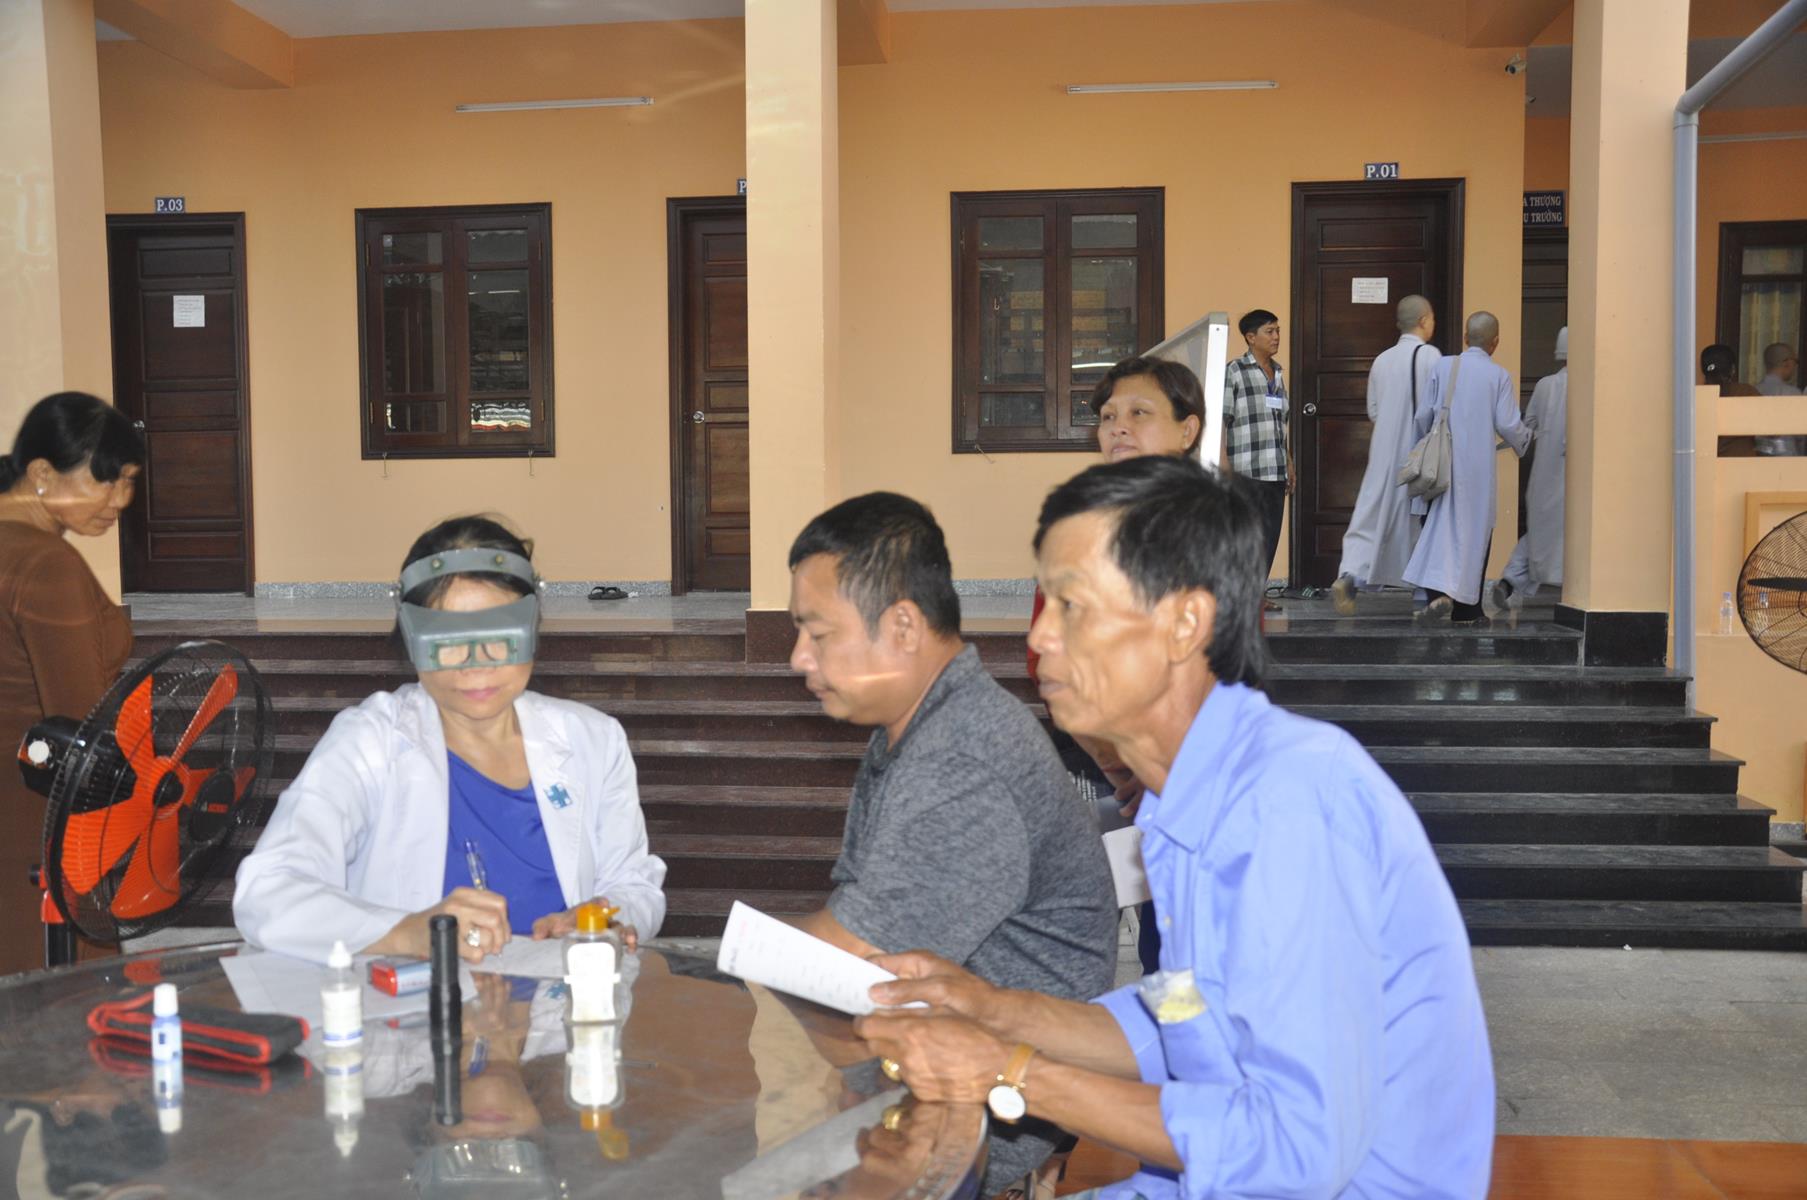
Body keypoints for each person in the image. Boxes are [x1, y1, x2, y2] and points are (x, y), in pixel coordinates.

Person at [854, 456, 1495, 1200]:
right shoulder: (1181, 805)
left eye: (1072, 606)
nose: (1041, 639)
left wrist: (1009, 1071)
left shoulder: (1290, 803)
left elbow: (1296, 1151)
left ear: (1185, 623)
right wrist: (990, 1008)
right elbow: (1177, 1018)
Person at [785, 491, 1118, 1197]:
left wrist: (713, 974)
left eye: (817, 633)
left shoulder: (962, 757)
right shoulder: (920, 726)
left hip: (983, 1113)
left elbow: (840, 962)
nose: (797, 658)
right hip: (928, 1069)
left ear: (903, 625)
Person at [234, 515, 666, 964]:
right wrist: (406, 932)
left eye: (500, 637)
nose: (475, 666)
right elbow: (267, 893)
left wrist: (606, 915)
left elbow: (633, 883)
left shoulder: (594, 740)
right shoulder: (370, 741)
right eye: (447, 642)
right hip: (416, 1004)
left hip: (562, 1002)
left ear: (532, 628)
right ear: (412, 639)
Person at [0, 392, 144, 975]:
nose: (119, 501)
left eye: (128, 482)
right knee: (57, 989)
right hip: (37, 813)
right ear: (41, 473)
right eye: (106, 481)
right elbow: (80, 723)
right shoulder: (46, 565)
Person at [1402, 311, 1533, 623]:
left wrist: (1422, 446)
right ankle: (1467, 609)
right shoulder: (1498, 375)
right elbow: (1507, 423)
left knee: (1436, 528)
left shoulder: (1443, 366)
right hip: (1477, 469)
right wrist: (1525, 440)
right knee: (1474, 534)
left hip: (1441, 463)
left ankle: (1437, 596)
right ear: (1495, 342)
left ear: (1465, 337)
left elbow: (1423, 415)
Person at [1332, 295, 1437, 614]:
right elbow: (1437, 408)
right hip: (1417, 452)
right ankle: (1421, 590)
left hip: (1382, 452)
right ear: (1423, 320)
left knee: (1371, 513)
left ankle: (1351, 575)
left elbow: (1373, 411)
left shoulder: (1381, 360)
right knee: (1417, 518)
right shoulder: (1431, 356)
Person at [1489, 327, 1568, 624]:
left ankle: (1510, 581)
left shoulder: (1545, 385)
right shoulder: (1590, 384)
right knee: (1562, 533)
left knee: (1541, 532)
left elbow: (1529, 424)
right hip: (1575, 476)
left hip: (1544, 473)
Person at [1222, 309, 1290, 611]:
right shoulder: (1235, 371)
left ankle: (1255, 594)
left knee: (1269, 535)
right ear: (1251, 337)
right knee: (1245, 534)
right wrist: (1223, 462)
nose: (1276, 337)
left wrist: (1289, 462)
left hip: (1275, 468)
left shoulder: (1278, 372)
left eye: (1277, 331)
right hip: (1245, 468)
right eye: (1269, 332)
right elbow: (1221, 419)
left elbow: (1281, 422)